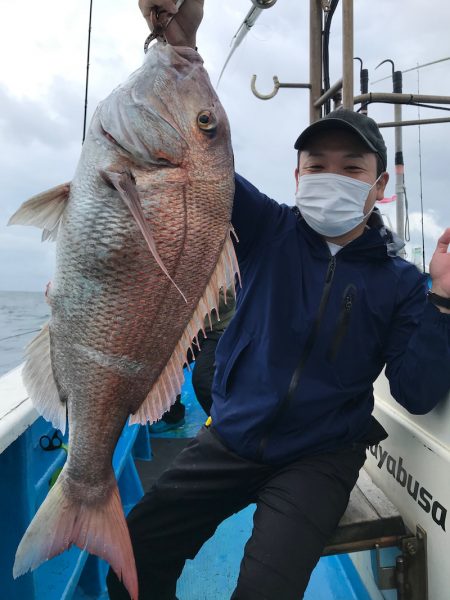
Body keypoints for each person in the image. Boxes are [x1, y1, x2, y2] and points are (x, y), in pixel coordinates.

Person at [107, 2, 450, 598]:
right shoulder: (267, 226)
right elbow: (187, 151)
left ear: (380, 186)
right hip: (233, 436)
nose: (330, 176)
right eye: (316, 164)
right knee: (133, 558)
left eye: (351, 167)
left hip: (320, 458)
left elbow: (417, 393)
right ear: (296, 176)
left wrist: (444, 299)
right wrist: (177, 41)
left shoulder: (401, 282)